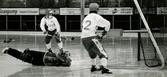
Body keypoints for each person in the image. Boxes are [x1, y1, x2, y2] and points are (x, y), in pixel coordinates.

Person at [81, 3, 112, 74]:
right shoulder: (96, 16)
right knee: (103, 53)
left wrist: (95, 34)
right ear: (97, 9)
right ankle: (104, 67)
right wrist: (105, 32)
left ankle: (93, 66)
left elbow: (85, 28)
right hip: (91, 38)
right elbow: (108, 23)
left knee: (92, 53)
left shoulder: (86, 17)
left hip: (83, 38)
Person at [2, 47, 71, 66]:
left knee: (24, 57)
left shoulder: (66, 61)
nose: (65, 54)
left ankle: (9, 50)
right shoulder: (65, 59)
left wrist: (61, 51)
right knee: (27, 54)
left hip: (43, 61)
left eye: (66, 54)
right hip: (44, 55)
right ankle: (9, 50)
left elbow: (58, 55)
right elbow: (58, 55)